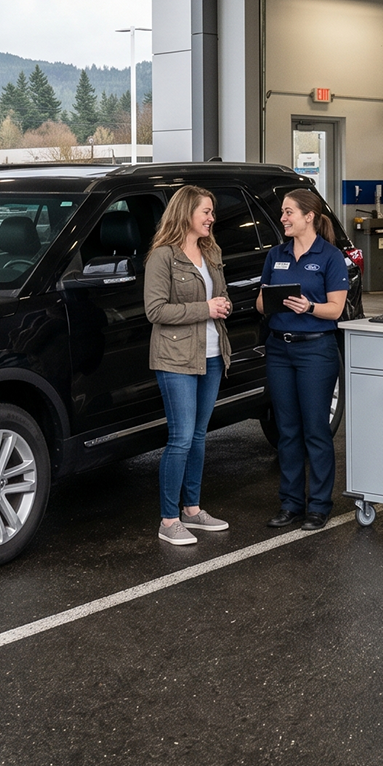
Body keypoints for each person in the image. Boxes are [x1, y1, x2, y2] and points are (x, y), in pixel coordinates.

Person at [143, 185, 234, 545]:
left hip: (212, 353)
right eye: (206, 212)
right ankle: (168, 520)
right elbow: (155, 310)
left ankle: (192, 511)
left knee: (198, 436)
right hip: (176, 357)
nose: (212, 218)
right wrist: (205, 309)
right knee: (180, 438)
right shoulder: (162, 256)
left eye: (212, 212)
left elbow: (220, 293)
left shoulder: (211, 250)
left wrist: (223, 304)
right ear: (186, 214)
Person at [258, 186, 350, 530]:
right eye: (283, 213)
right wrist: (272, 299)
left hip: (316, 350)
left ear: (308, 217)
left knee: (315, 430)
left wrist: (309, 306)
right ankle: (291, 503)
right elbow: (260, 303)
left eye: (288, 213)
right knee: (288, 430)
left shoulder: (329, 257)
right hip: (280, 348)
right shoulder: (276, 255)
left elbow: (336, 309)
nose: (282, 218)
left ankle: (319, 506)